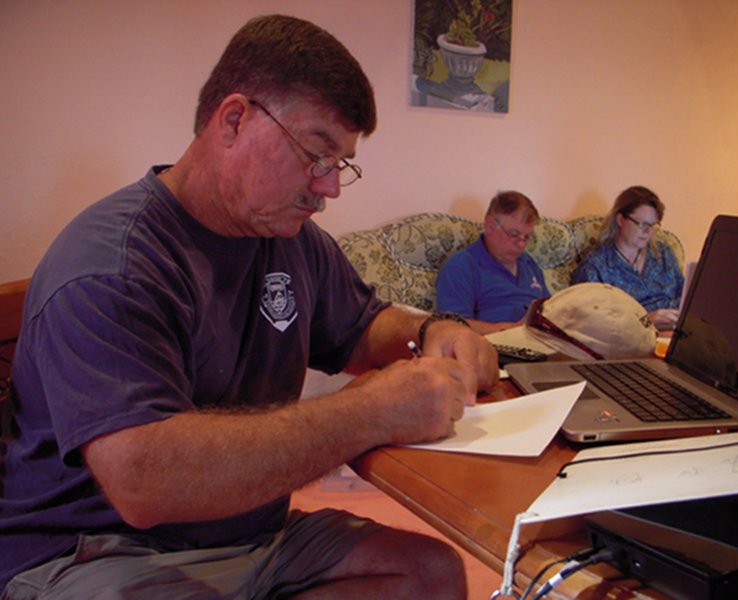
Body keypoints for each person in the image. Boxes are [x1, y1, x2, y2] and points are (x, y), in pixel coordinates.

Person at [0, 15, 499, 600]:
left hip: (248, 536)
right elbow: (143, 483)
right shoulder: (111, 262)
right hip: (93, 551)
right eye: (317, 155)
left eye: (340, 164)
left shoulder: (289, 240)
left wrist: (436, 329)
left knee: (429, 573)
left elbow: (364, 325)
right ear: (234, 120)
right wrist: (368, 412)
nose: (329, 188)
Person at [435, 191, 550, 334]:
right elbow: (451, 326)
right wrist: (511, 330)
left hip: (541, 344)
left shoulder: (528, 263)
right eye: (514, 235)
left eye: (526, 237)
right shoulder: (462, 266)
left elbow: (550, 308)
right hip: (496, 348)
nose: (521, 244)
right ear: (490, 225)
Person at [571, 185, 684, 330]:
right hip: (634, 339)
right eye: (641, 224)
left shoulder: (664, 253)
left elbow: (685, 297)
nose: (647, 231)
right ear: (620, 219)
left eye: (652, 225)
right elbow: (591, 321)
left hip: (677, 333)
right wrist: (647, 320)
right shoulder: (597, 264)